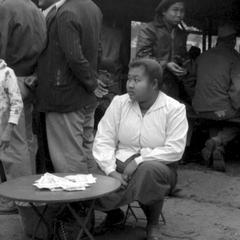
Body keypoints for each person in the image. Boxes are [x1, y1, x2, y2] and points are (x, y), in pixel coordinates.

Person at [93, 59, 188, 240]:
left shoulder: (174, 109)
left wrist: (138, 160)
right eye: (129, 79)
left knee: (148, 170)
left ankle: (152, 223)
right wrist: (111, 171)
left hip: (159, 167)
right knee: (90, 167)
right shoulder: (119, 103)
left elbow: (175, 149)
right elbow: (104, 139)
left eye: (137, 80)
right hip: (119, 164)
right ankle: (114, 215)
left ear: (153, 84)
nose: (130, 85)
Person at [37, 0, 105, 173]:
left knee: (68, 157)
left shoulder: (66, 12)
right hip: (84, 96)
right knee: (85, 149)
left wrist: (91, 83)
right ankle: (95, 197)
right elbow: (97, 49)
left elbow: (75, 57)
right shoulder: (92, 7)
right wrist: (92, 82)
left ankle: (79, 199)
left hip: (65, 96)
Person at [0, 0, 46, 211]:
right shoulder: (35, 9)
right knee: (26, 140)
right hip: (29, 80)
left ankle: (18, 198)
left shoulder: (7, 7)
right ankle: (23, 195)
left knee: (11, 144)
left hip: (10, 79)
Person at [192, 23, 240, 172]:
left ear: (218, 40)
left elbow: (190, 80)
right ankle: (219, 141)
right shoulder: (235, 57)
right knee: (234, 118)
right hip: (221, 110)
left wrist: (195, 99)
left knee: (215, 121)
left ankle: (216, 148)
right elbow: (237, 89)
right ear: (232, 40)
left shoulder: (202, 56)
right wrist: (237, 106)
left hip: (199, 108)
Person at [136, 0, 188, 99]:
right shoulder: (149, 29)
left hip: (173, 86)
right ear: (164, 11)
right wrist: (166, 64)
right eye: (175, 10)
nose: (179, 15)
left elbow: (183, 56)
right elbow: (141, 57)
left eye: (182, 11)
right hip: (151, 83)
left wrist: (185, 67)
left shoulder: (181, 34)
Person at [0, 60, 23, 212]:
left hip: (3, 123)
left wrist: (8, 129)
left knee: (9, 163)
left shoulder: (7, 73)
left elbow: (17, 103)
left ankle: (13, 200)